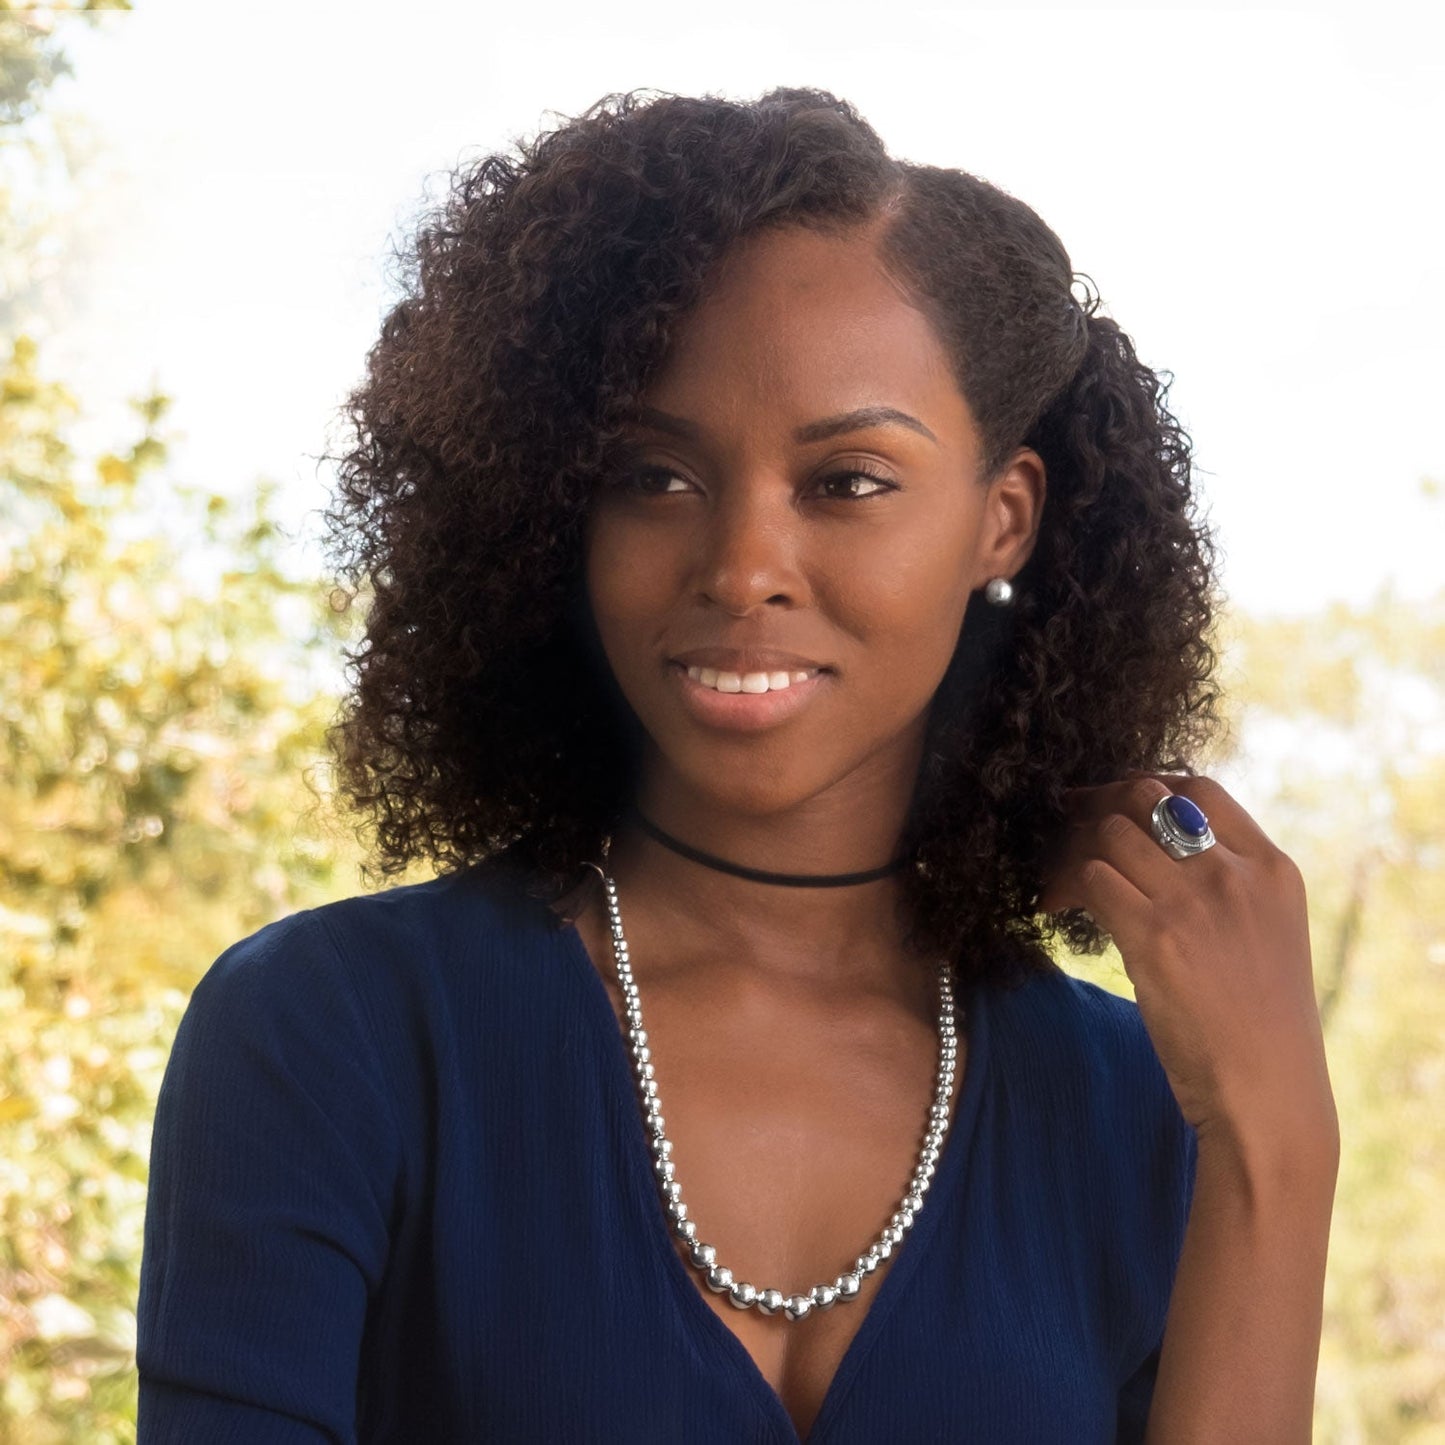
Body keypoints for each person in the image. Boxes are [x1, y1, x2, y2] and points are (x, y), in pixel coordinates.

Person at [135, 87, 1339, 1443]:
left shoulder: (1135, 1106)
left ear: (1001, 520)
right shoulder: (333, 1031)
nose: (740, 567)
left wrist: (1274, 1150)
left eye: (847, 481)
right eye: (653, 475)